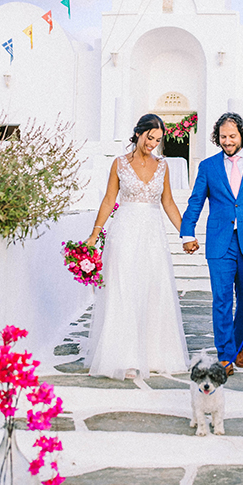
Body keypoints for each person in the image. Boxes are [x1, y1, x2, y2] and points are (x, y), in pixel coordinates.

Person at [83, 113, 190, 380]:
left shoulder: (163, 166)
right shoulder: (119, 164)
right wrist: (94, 235)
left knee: (154, 288)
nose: (153, 143)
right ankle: (124, 356)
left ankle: (154, 355)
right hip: (125, 230)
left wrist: (186, 234)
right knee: (124, 290)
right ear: (138, 133)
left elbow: (168, 203)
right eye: (149, 137)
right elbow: (109, 200)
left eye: (158, 139)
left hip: (153, 233)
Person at [180, 113, 243, 375]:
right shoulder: (208, 166)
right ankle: (226, 355)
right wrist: (187, 232)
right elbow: (195, 201)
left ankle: (235, 346)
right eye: (223, 136)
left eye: (232, 136)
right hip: (220, 242)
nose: (227, 141)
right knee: (222, 299)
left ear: (242, 135)